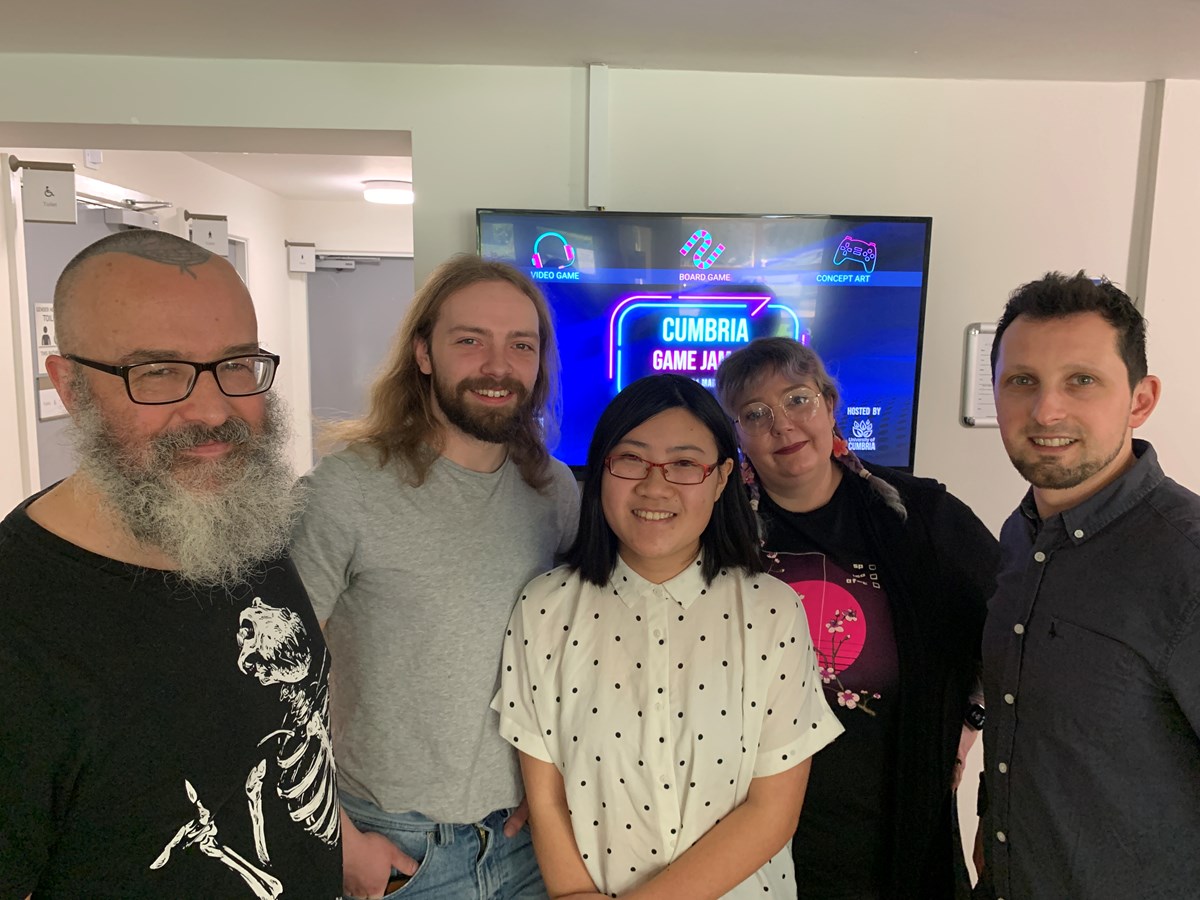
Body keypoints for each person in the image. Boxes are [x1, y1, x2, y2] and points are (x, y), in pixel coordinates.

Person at [0, 230, 341, 899]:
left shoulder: (241, 527)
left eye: (237, 364)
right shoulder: (19, 633)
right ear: (69, 386)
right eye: (157, 371)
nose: (214, 409)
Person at [290, 255, 580, 899]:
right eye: (469, 340)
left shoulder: (554, 492)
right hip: (398, 851)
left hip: (527, 841)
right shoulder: (347, 490)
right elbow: (265, 677)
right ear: (423, 353)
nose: (498, 366)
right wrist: (335, 835)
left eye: (520, 345)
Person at [495, 373, 843, 899]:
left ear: (722, 477)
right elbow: (546, 801)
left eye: (684, 464)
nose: (655, 487)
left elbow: (773, 810)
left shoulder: (773, 611)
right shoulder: (544, 608)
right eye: (631, 460)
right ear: (602, 468)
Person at [715, 338, 999, 900]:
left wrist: (970, 722)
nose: (782, 425)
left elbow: (1011, 628)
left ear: (828, 402)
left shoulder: (919, 515)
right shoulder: (717, 531)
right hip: (749, 821)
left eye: (798, 399)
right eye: (756, 414)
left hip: (893, 818)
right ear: (737, 435)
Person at [977, 272, 1200, 900]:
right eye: (1022, 381)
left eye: (1082, 381)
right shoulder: (1018, 537)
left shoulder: (1186, 561)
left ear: (1140, 399)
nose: (1047, 409)